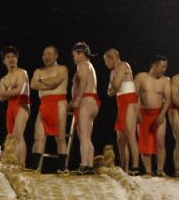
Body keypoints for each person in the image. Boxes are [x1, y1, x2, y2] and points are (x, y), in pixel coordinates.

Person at [30, 45, 70, 173]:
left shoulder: (63, 68)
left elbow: (56, 82)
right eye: (44, 54)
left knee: (60, 137)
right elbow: (33, 84)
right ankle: (34, 167)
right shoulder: (38, 70)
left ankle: (62, 168)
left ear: (56, 55)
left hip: (59, 103)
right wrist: (48, 82)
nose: (46, 56)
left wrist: (42, 81)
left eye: (49, 54)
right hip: (44, 105)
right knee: (38, 136)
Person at [135, 55, 171, 176]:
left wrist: (162, 114)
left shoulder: (166, 80)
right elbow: (135, 96)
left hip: (158, 114)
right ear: (154, 65)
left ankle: (160, 169)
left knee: (160, 141)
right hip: (143, 114)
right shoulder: (141, 77)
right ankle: (148, 171)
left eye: (166, 67)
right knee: (145, 144)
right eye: (162, 66)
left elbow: (168, 99)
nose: (164, 69)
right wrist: (137, 112)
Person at [0, 46, 30, 166]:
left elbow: (18, 91)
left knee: (18, 133)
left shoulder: (22, 72)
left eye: (13, 56)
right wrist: (5, 92)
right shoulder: (3, 79)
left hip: (22, 104)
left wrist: (3, 92)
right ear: (4, 61)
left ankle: (22, 165)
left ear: (17, 59)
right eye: (8, 57)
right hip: (11, 107)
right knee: (12, 137)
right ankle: (14, 163)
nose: (11, 59)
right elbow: (2, 99)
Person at [104, 48, 139, 173]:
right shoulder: (113, 72)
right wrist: (113, 85)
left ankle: (135, 167)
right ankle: (125, 168)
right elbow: (109, 92)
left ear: (112, 58)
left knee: (130, 134)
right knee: (120, 139)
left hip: (129, 101)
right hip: (121, 103)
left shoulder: (124, 65)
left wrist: (113, 85)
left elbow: (115, 86)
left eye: (106, 61)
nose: (105, 64)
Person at [69, 42, 100, 174]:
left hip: (86, 100)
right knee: (86, 135)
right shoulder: (89, 66)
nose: (74, 58)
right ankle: (88, 164)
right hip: (92, 101)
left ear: (81, 54)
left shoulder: (83, 65)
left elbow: (84, 83)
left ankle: (84, 165)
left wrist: (77, 99)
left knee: (84, 135)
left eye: (75, 55)